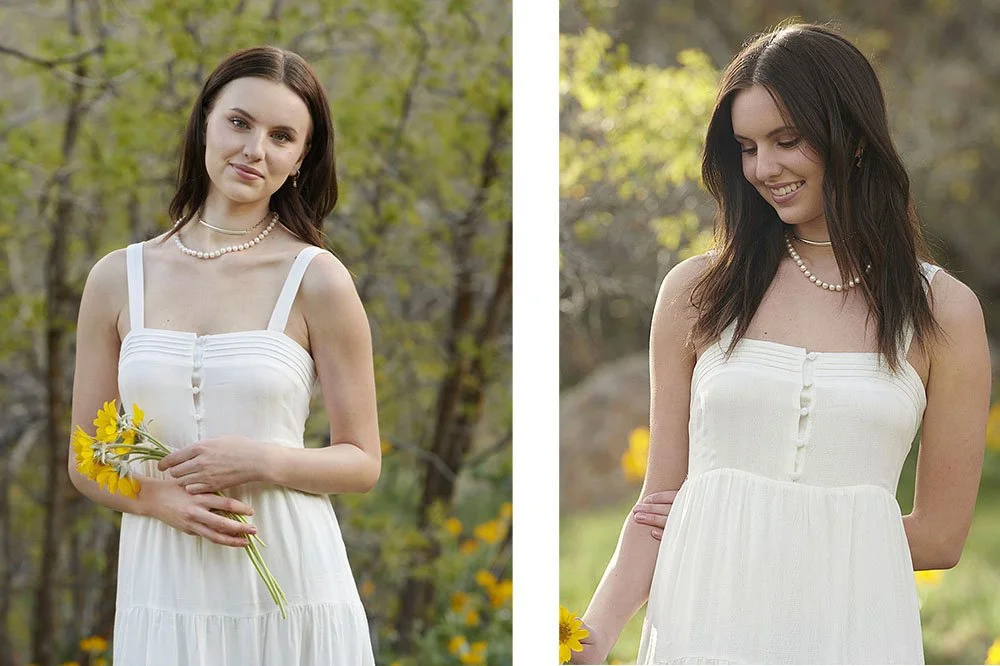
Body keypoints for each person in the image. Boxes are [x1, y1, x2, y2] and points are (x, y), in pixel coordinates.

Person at [572, 23, 990, 665]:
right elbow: (658, 508)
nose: (764, 168)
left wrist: (777, 542)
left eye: (786, 141)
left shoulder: (943, 311)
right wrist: (584, 643)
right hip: (706, 627)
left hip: (852, 631)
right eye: (745, 147)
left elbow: (939, 539)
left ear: (850, 138)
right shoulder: (696, 291)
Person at [68, 46, 379, 665]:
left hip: (292, 581)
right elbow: (88, 454)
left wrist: (263, 458)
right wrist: (159, 500)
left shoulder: (316, 279)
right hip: (165, 584)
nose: (254, 149)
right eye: (239, 122)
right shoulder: (116, 278)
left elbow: (362, 461)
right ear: (206, 122)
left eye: (282, 136)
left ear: (299, 161)